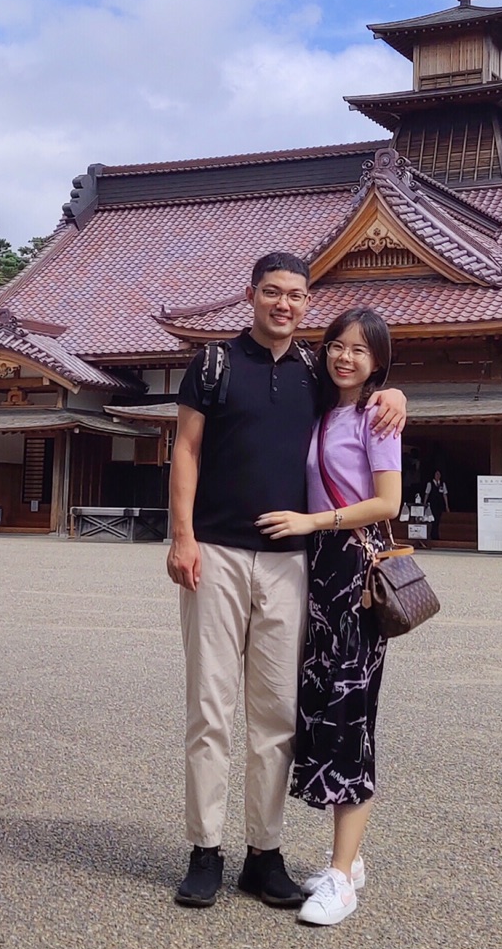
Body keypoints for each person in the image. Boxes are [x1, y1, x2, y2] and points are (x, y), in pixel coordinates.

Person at [167, 252, 407, 910]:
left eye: (296, 296)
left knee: (275, 712)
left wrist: (396, 394)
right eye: (272, 292)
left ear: (307, 305)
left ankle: (264, 853)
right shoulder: (213, 366)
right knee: (211, 706)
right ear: (251, 295)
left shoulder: (314, 375)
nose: (284, 304)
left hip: (289, 562)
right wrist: (182, 537)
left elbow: (365, 392)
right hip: (214, 550)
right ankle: (204, 849)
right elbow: (185, 449)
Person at [258, 307, 402, 927]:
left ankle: (342, 878)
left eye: (360, 352)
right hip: (316, 570)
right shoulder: (323, 409)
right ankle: (350, 858)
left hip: (352, 572)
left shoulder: (377, 415)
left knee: (350, 714)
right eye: (337, 346)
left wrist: (314, 522)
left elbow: (388, 502)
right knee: (317, 705)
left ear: (377, 363)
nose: (345, 358)